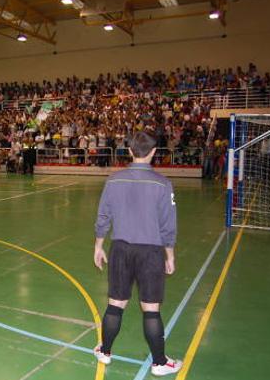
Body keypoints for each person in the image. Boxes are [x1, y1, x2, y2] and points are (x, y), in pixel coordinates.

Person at [93, 131, 182, 376]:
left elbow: (103, 217)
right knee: (151, 309)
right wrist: (170, 255)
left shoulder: (113, 180)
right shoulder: (163, 184)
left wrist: (98, 246)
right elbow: (168, 225)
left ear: (130, 151)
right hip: (150, 253)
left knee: (115, 304)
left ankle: (105, 352)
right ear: (154, 152)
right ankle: (160, 363)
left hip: (120, 250)